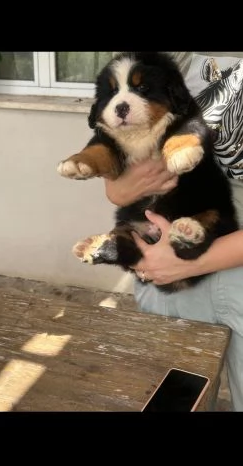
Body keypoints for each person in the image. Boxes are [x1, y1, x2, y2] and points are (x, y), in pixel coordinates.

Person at [104, 158, 243, 411]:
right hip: (164, 261)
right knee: (176, 397)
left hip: (179, 261)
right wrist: (121, 187)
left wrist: (192, 261)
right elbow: (117, 188)